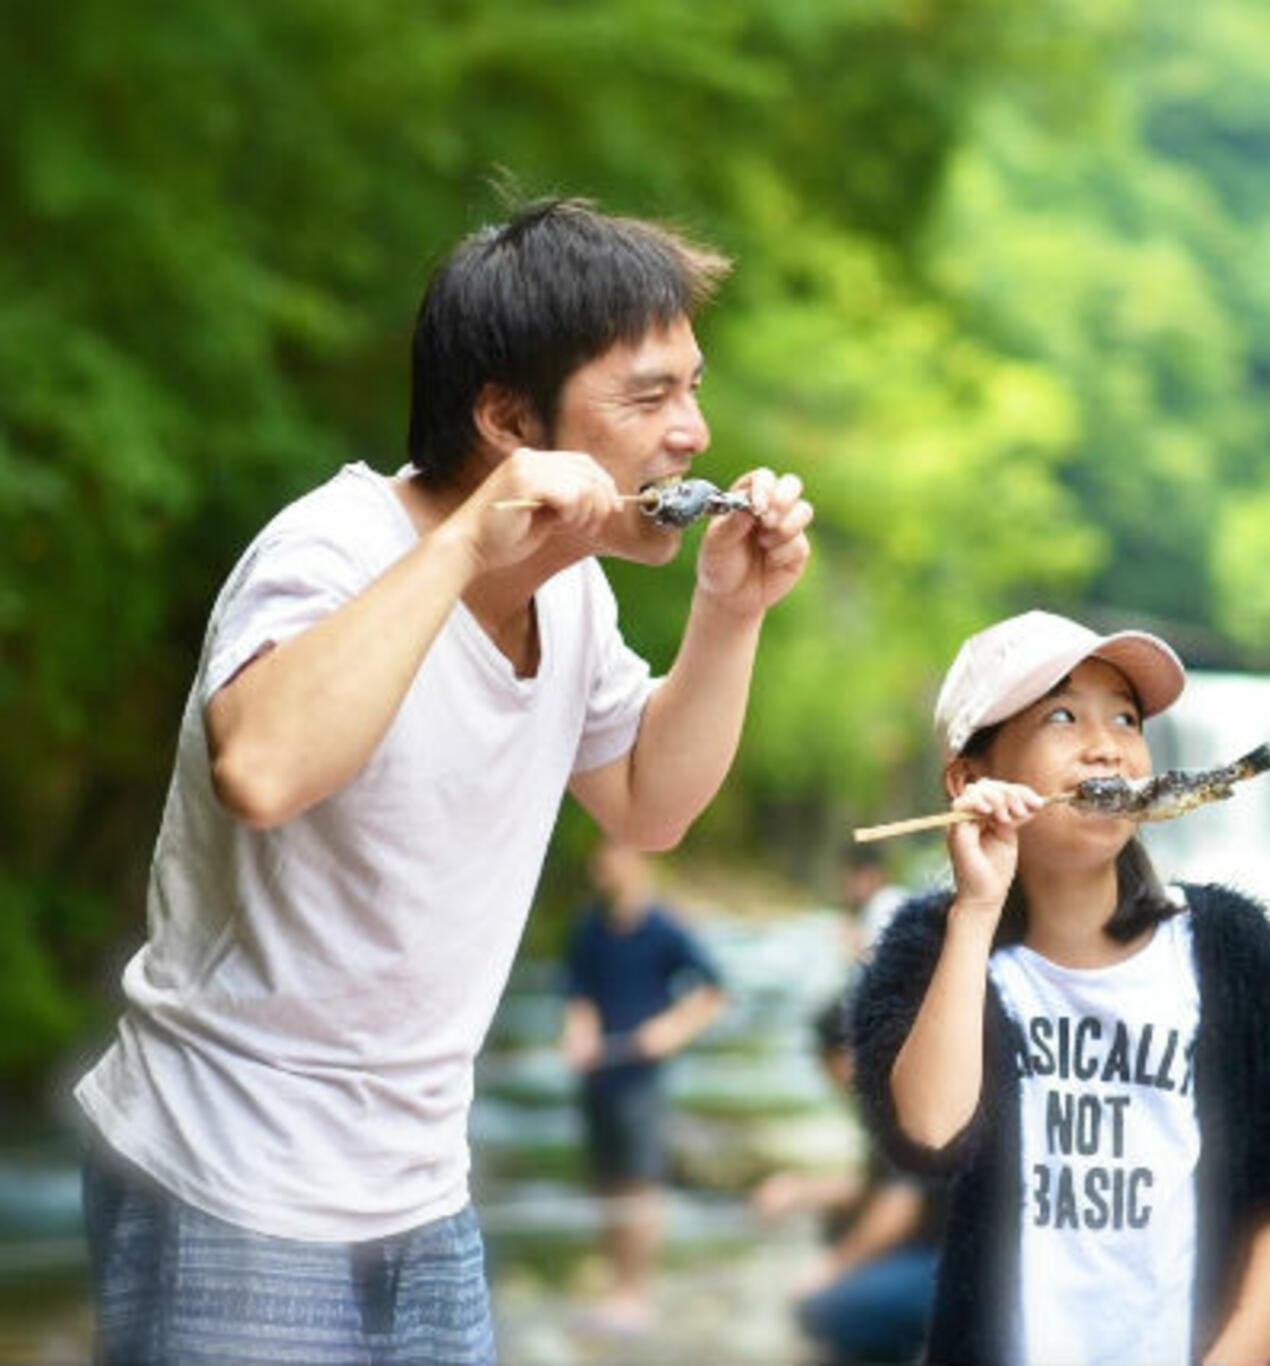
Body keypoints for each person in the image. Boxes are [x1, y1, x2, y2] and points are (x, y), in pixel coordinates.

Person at [71, 196, 813, 1365]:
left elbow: (648, 805)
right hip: (228, 1181)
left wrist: (729, 613)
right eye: (648, 395)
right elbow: (261, 768)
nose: (692, 434)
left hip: (421, 1197)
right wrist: (468, 541)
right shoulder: (331, 547)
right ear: (509, 419)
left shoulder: (574, 595)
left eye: (692, 389)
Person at [849, 609, 1270, 1366]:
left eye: (1126, 718)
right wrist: (977, 909)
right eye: (1062, 715)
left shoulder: (1231, 947)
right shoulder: (933, 944)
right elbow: (928, 1131)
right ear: (969, 777)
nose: (1107, 748)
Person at [561, 838, 728, 1335]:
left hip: (642, 1082)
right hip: (597, 1076)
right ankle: (616, 1287)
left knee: (640, 1185)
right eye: (601, 859)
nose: (605, 869)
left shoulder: (664, 929)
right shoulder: (587, 930)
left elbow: (714, 989)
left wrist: (671, 1031)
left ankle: (637, 1293)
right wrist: (580, 1033)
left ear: (637, 862)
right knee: (606, 1182)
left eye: (614, 858)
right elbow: (578, 995)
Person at [752, 995, 945, 1365]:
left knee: (825, 1310)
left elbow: (898, 1206)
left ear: (843, 1056)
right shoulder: (904, 1084)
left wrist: (830, 1270)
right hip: (950, 1254)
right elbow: (881, 1186)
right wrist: (801, 1190)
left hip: (951, 1264)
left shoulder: (897, 1102)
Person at [843, 841, 911, 959]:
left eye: (851, 878)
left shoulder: (886, 901)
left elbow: (883, 958)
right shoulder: (875, 905)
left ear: (870, 874)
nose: (848, 886)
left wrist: (853, 943)